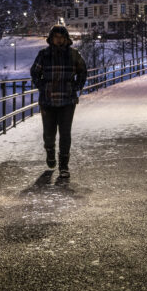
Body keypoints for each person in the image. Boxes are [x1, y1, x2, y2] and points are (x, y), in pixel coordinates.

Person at [30, 25, 87, 177]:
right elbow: (34, 72)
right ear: (51, 38)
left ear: (66, 38)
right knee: (49, 133)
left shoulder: (73, 55)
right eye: (56, 37)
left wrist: (75, 87)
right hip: (47, 101)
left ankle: (64, 165)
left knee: (65, 133)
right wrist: (42, 87)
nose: (59, 39)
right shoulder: (44, 55)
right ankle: (50, 152)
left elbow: (83, 72)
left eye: (61, 37)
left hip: (67, 100)